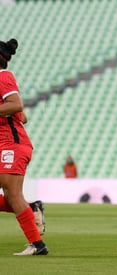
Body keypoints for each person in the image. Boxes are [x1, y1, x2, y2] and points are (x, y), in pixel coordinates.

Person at [0, 38, 48, 255]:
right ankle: (32, 209)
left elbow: (17, 105)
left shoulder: (3, 77)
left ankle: (37, 245)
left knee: (12, 194)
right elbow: (23, 116)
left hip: (12, 144)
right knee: (12, 195)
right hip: (7, 143)